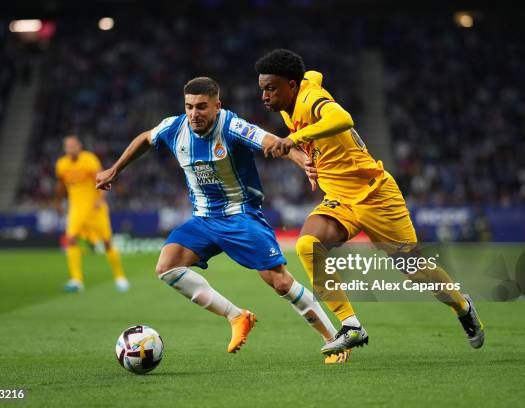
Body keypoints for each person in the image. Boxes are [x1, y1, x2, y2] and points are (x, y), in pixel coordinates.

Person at [96, 77, 350, 363]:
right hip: (204, 219)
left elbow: (273, 142)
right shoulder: (174, 128)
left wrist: (302, 161)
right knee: (166, 267)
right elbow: (145, 137)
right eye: (189, 107)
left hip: (241, 217)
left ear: (217, 105)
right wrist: (115, 169)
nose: (194, 114)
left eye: (202, 107)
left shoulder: (232, 126)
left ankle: (334, 340)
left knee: (280, 283)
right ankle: (237, 316)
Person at [255, 49, 485, 355]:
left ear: (292, 85)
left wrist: (295, 141)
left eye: (271, 88)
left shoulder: (310, 100)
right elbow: (314, 74)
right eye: (262, 89)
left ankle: (461, 304)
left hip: (375, 195)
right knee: (307, 245)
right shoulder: (297, 94)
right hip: (339, 199)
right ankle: (351, 326)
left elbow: (342, 117)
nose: (265, 96)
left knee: (413, 267)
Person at [55, 136, 129, 293]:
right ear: (64, 148)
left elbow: (101, 178)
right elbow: (61, 185)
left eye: (73, 145)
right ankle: (76, 280)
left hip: (95, 208)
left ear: (79, 146)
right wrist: (58, 202)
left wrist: (101, 198)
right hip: (76, 209)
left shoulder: (89, 159)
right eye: (68, 146)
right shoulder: (61, 165)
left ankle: (120, 277)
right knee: (71, 239)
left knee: (107, 242)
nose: (71, 148)